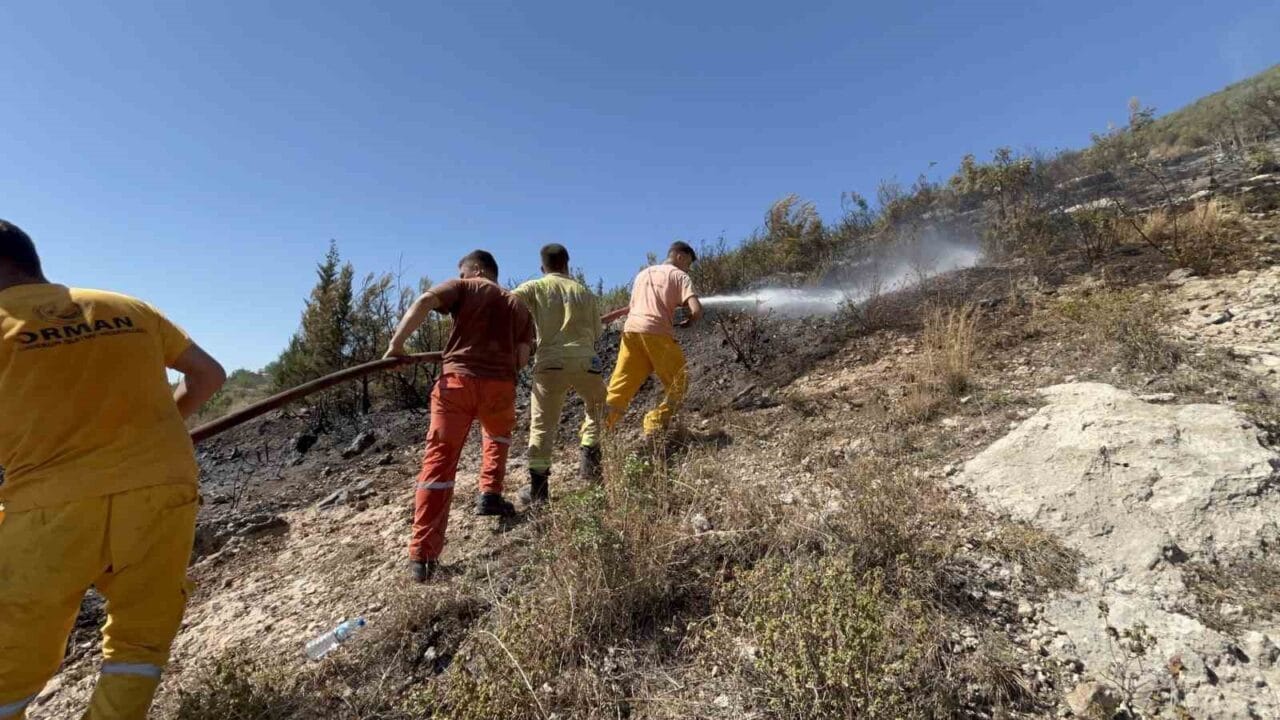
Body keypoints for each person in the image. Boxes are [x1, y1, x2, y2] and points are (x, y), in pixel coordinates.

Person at [0, 220, 227, 720]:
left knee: (11, 659)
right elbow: (209, 375)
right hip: (161, 488)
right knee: (138, 643)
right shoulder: (126, 307)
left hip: (48, 505)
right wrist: (154, 433)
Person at [384, 250, 534, 583]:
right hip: (500, 386)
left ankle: (423, 558)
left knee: (439, 463)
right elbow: (522, 358)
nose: (462, 276)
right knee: (497, 438)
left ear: (477, 270)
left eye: (463, 272)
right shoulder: (519, 305)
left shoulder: (465, 287)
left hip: (457, 385)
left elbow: (425, 300)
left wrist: (397, 345)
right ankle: (490, 495)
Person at [512, 244, 607, 503]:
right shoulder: (585, 292)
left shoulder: (536, 286)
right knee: (598, 406)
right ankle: (590, 459)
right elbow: (597, 333)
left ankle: (539, 490)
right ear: (567, 264)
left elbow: (508, 303)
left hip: (550, 362)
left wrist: (523, 338)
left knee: (542, 426)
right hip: (586, 361)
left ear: (542, 267)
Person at [605, 241, 703, 435]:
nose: (688, 269)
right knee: (679, 381)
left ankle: (595, 433)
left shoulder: (642, 274)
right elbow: (697, 310)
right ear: (680, 256)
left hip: (631, 332)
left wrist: (605, 318)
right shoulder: (679, 275)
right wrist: (690, 321)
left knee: (619, 388)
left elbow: (633, 307)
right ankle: (656, 422)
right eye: (688, 263)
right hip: (657, 333)